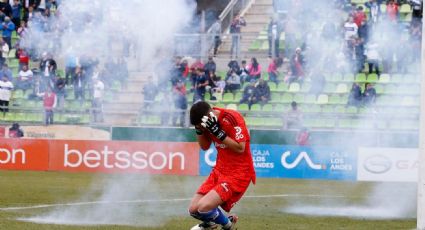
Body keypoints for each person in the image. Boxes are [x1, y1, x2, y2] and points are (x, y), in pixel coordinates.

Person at [188, 101, 255, 230]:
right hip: (220, 170)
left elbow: (240, 148)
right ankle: (210, 225)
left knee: (203, 207)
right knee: (193, 210)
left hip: (238, 173)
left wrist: (218, 132)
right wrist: (199, 129)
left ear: (208, 115)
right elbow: (205, 146)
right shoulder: (206, 123)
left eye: (200, 126)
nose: (201, 129)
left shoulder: (232, 117)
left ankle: (228, 226)